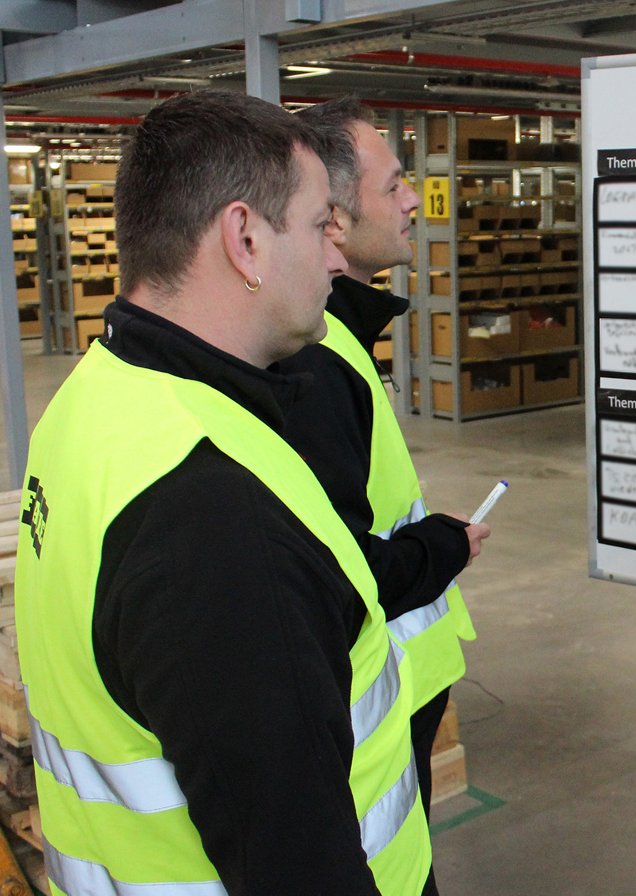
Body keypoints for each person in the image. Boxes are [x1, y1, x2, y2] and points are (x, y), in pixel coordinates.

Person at [15, 91, 431, 895]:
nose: (338, 258)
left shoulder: (93, 400)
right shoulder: (215, 516)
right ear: (244, 239)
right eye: (319, 227)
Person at [281, 97, 485, 895]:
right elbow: (333, 563)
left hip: (406, 670)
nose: (414, 198)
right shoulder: (317, 361)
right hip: (380, 679)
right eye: (394, 182)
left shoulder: (342, 339)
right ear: (331, 216)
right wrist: (440, 548)